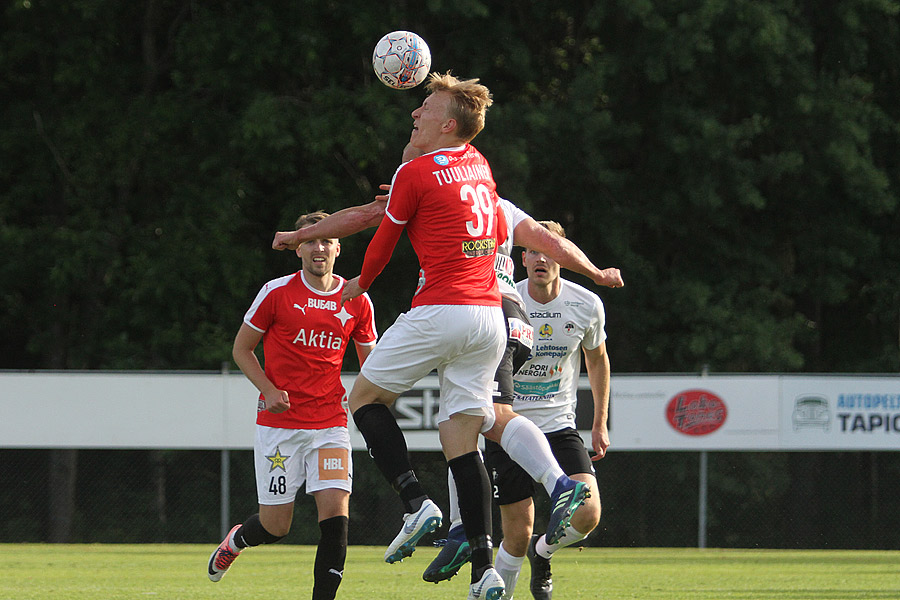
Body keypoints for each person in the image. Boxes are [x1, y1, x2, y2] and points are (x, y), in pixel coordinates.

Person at [337, 71, 511, 600]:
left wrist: (358, 284)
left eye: (426, 107)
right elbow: (497, 232)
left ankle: (416, 503)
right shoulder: (479, 165)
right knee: (462, 438)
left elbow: (383, 244)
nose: (415, 113)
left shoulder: (415, 172)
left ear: (449, 124)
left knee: (363, 398)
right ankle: (485, 572)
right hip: (488, 322)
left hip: (443, 310)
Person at [207, 211, 377, 600]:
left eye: (326, 240)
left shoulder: (357, 298)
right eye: (310, 240)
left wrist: (373, 400)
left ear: (338, 246)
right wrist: (267, 389)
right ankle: (236, 541)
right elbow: (242, 349)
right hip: (279, 426)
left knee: (336, 519)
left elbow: (372, 363)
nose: (319, 247)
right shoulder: (276, 292)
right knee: (276, 526)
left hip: (331, 423)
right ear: (297, 248)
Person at [488, 220, 610, 600]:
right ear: (522, 259)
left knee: (588, 513)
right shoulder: (502, 300)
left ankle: (544, 554)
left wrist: (599, 421)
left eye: (549, 250)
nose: (541, 258)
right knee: (515, 535)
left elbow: (599, 360)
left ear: (562, 255)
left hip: (559, 426)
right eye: (533, 251)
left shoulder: (586, 304)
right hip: (508, 426)